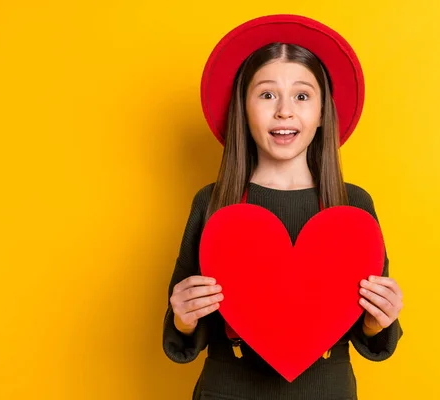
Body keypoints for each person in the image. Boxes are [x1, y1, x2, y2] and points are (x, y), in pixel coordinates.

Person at [162, 14, 404, 400]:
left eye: (302, 96)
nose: (284, 111)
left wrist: (379, 320)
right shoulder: (211, 204)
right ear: (243, 108)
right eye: (267, 94)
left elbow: (370, 332)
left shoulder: (354, 207)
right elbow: (185, 335)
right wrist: (184, 316)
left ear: (324, 112)